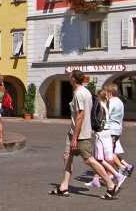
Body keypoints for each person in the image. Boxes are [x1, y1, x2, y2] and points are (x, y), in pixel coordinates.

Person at [49, 70, 117, 199]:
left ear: (73, 79)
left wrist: (75, 137)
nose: (69, 78)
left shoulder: (79, 93)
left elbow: (80, 116)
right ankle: (63, 187)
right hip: (76, 132)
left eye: (70, 77)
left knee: (89, 160)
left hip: (79, 134)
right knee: (67, 156)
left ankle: (110, 184)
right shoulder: (86, 92)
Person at [84, 90, 126, 190]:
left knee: (98, 159)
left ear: (98, 97)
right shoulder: (106, 105)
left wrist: (92, 130)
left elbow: (95, 119)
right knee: (107, 157)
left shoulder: (99, 105)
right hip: (108, 131)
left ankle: (118, 175)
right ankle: (97, 179)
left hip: (101, 133)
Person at [105, 83, 133, 176]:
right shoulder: (120, 101)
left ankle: (117, 170)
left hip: (111, 129)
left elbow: (107, 115)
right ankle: (125, 166)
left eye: (106, 91)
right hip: (118, 128)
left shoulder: (111, 101)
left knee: (109, 152)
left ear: (110, 92)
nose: (105, 93)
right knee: (112, 151)